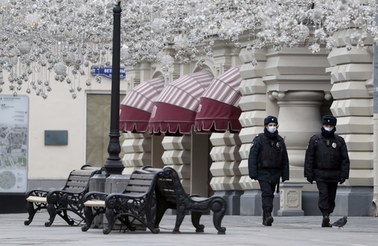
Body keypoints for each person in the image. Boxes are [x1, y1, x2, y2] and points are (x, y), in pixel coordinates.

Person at [304, 115, 350, 227]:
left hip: (334, 174)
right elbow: (309, 158)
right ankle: (325, 215)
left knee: (331, 196)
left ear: (334, 126)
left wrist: (344, 175)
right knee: (323, 194)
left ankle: (328, 214)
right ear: (322, 125)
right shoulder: (315, 140)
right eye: (326, 125)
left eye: (330, 125)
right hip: (320, 173)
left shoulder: (339, 141)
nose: (328, 127)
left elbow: (345, 159)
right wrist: (309, 174)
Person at [248, 115, 289, 226]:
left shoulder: (279, 140)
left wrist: (285, 174)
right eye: (270, 125)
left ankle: (266, 216)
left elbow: (284, 158)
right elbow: (253, 156)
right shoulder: (259, 139)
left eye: (274, 125)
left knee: (270, 194)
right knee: (266, 193)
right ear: (265, 126)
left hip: (275, 172)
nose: (272, 127)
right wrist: (253, 172)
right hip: (263, 172)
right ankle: (268, 214)